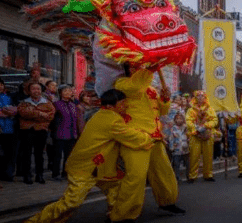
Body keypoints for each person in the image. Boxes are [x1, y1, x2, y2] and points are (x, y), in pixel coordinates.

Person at [25, 89, 158, 223]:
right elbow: (133, 137)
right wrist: (152, 137)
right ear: (111, 106)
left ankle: (116, 217)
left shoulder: (104, 115)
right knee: (71, 203)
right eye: (122, 103)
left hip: (101, 167)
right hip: (84, 168)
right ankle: (36, 221)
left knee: (116, 191)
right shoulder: (111, 120)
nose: (126, 106)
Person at [110, 67, 185, 222]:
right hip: (135, 136)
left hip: (155, 137)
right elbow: (136, 86)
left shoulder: (151, 89)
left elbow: (162, 111)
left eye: (140, 66)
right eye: (135, 66)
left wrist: (165, 99)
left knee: (164, 172)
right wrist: (150, 69)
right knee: (136, 176)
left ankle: (167, 202)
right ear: (128, 69)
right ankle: (123, 214)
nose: (139, 69)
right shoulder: (122, 84)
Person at [17, 81, 55, 184]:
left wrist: (33, 114)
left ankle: (40, 175)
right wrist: (40, 113)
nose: (36, 91)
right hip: (27, 130)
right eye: (33, 89)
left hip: (41, 130)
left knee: (39, 154)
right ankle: (27, 175)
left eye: (38, 89)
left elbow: (50, 116)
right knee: (27, 154)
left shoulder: (47, 103)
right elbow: (23, 113)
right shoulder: (24, 102)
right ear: (29, 91)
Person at [186, 90, 218, 182]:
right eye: (198, 96)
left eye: (202, 96)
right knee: (194, 156)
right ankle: (192, 176)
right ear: (195, 98)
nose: (200, 98)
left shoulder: (210, 109)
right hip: (195, 134)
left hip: (207, 134)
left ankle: (208, 174)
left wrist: (205, 126)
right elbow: (188, 121)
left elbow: (215, 120)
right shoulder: (191, 109)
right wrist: (196, 127)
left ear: (205, 98)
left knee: (208, 155)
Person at [52, 85, 79, 181]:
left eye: (69, 91)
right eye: (65, 91)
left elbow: (76, 120)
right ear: (60, 93)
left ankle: (65, 173)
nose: (68, 93)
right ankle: (55, 174)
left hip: (71, 134)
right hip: (60, 133)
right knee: (57, 155)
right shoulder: (56, 104)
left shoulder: (73, 105)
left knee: (68, 155)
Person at [166, 112, 189, 181]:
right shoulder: (173, 129)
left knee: (188, 163)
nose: (179, 120)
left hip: (185, 148)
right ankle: (177, 177)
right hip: (176, 149)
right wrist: (171, 147)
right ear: (175, 120)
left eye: (180, 118)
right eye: (177, 119)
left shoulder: (186, 127)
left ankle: (189, 176)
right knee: (176, 164)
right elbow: (171, 138)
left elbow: (189, 137)